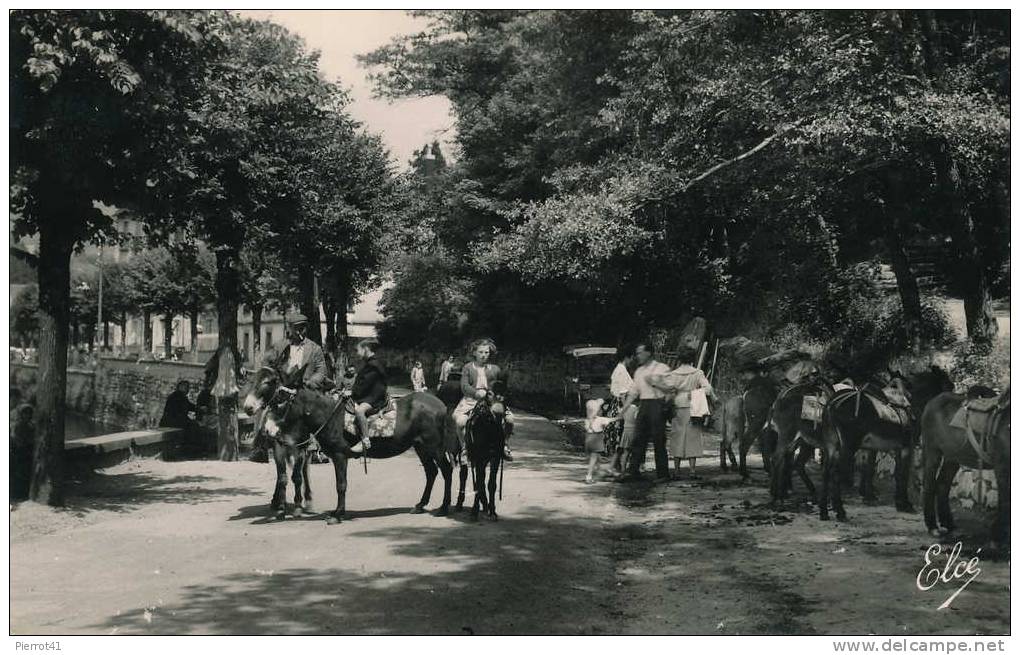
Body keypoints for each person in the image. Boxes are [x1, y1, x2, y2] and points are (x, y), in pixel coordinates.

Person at [652, 348, 716, 479]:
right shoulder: (697, 373)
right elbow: (708, 389)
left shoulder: (673, 374)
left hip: (677, 407)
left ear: (679, 359)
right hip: (694, 407)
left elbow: (667, 390)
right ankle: (692, 470)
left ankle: (676, 470)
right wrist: (694, 393)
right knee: (693, 437)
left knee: (677, 436)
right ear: (692, 359)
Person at [617, 342, 672, 482]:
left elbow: (671, 389)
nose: (638, 356)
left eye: (640, 353)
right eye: (637, 353)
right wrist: (623, 410)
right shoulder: (639, 371)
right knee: (638, 438)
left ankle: (663, 474)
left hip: (657, 404)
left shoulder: (661, 368)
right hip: (644, 404)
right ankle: (633, 471)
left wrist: (655, 383)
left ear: (649, 353)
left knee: (658, 439)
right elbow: (633, 393)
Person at [453, 338, 514, 461]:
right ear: (474, 353)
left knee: (510, 419)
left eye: (486, 352)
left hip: (492, 401)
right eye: (480, 352)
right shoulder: (468, 367)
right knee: (460, 422)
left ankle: (504, 444)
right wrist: (476, 393)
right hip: (471, 401)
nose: (483, 355)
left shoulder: (495, 369)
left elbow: (501, 385)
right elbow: (464, 386)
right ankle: (465, 447)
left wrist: (500, 394)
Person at [348, 339, 389, 454]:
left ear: (366, 349)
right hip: (370, 395)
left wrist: (352, 393)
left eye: (358, 350)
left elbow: (364, 384)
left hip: (374, 398)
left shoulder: (373, 365)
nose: (357, 353)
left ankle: (365, 441)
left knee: (360, 411)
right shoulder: (371, 363)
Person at [272, 315, 328, 390]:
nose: (298, 332)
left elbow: (321, 372)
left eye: (301, 328)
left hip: (304, 392)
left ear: (307, 328)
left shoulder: (315, 349)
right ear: (290, 329)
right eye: (295, 328)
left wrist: (310, 382)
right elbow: (270, 367)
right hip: (281, 390)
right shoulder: (280, 347)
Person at [608, 346, 637, 477]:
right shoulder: (622, 371)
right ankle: (616, 467)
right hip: (621, 406)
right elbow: (623, 394)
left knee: (619, 439)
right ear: (628, 357)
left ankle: (614, 466)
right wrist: (626, 411)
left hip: (617, 405)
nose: (633, 360)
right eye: (632, 358)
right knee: (621, 439)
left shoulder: (619, 369)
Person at [159, 380, 208, 455]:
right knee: (194, 426)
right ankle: (192, 450)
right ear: (180, 387)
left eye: (188, 388)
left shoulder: (180, 396)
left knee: (193, 425)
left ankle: (190, 449)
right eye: (186, 387)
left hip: (174, 420)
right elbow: (180, 413)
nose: (188, 390)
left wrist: (199, 409)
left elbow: (190, 406)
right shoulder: (177, 396)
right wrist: (199, 410)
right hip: (171, 421)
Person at [584, 398, 622, 484]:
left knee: (597, 459)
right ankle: (589, 476)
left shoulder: (586, 420)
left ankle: (604, 472)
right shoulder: (600, 419)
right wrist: (619, 417)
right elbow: (611, 420)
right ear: (597, 411)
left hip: (588, 440)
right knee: (593, 460)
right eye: (600, 409)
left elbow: (587, 429)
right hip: (596, 440)